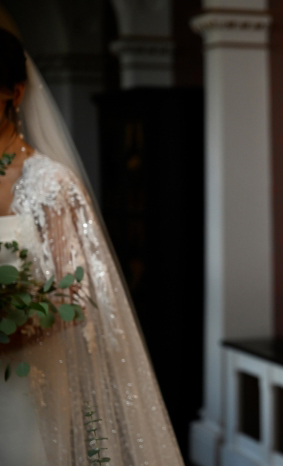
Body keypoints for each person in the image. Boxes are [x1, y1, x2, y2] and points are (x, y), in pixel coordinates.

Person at [0, 28, 185, 465]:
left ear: (14, 92)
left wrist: (10, 330)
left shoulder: (50, 184)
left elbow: (74, 293)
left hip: (25, 382)